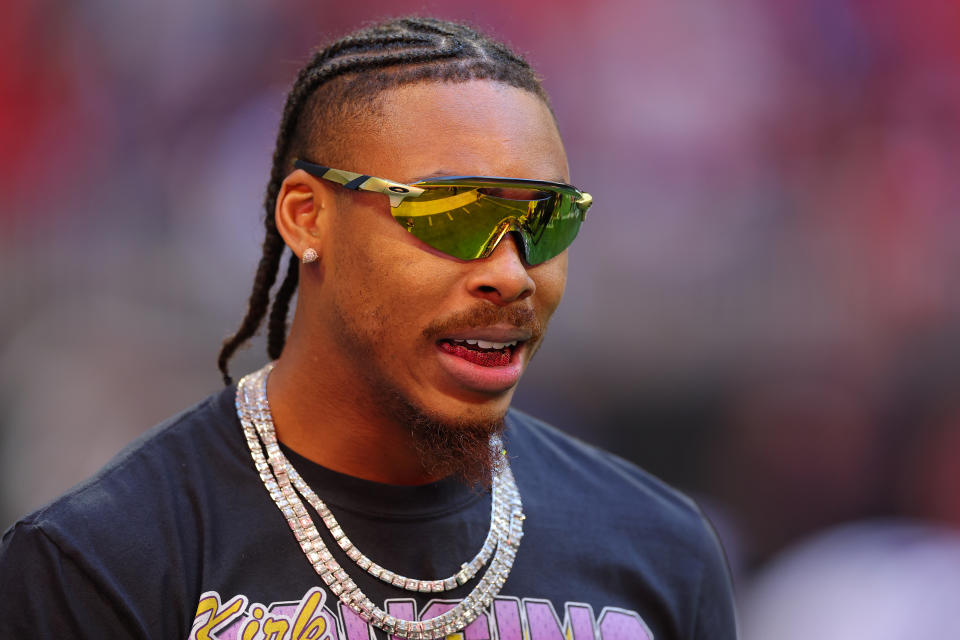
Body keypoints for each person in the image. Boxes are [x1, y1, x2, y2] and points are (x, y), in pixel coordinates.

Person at [0, 17, 736, 640]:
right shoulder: (104, 561)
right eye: (454, 214)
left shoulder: (659, 550)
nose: (512, 274)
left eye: (545, 222)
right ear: (306, 216)